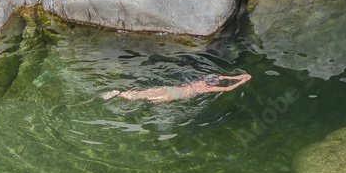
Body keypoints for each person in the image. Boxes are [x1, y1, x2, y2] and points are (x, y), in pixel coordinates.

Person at [102, 73, 252, 103]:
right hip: (173, 96)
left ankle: (120, 93)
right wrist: (241, 81)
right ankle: (120, 96)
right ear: (213, 84)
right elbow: (227, 89)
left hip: (170, 88)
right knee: (149, 99)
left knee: (143, 93)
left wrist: (239, 76)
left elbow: (222, 77)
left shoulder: (203, 80)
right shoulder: (208, 89)